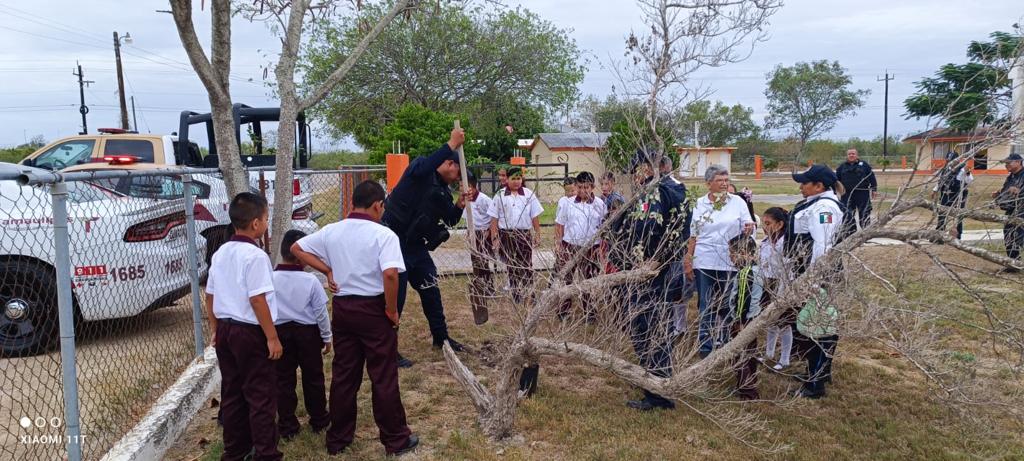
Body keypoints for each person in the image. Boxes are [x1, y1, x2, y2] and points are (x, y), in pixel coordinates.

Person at [291, 180, 419, 456]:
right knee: (383, 376)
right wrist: (392, 309)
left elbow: (297, 249)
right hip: (373, 309)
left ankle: (338, 438)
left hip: (343, 308)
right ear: (377, 205)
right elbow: (390, 274)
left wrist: (327, 270)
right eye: (382, 207)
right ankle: (395, 439)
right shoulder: (384, 235)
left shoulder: (332, 231)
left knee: (344, 376)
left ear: (353, 202)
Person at [205, 192, 282, 461]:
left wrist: (215, 328)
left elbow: (210, 295)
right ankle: (265, 453)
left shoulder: (221, 252)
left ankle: (235, 451)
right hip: (250, 332)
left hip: (226, 330)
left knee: (233, 392)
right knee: (260, 395)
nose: (266, 223)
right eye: (266, 218)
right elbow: (257, 299)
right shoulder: (256, 256)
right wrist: (272, 337)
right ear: (256, 224)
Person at [382, 128, 469, 367]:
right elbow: (428, 164)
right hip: (393, 241)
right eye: (458, 174)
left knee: (431, 289)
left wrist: (460, 204)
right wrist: (451, 143)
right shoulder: (421, 169)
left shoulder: (442, 191)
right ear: (449, 163)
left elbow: (450, 219)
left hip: (416, 248)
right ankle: (389, 349)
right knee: (395, 297)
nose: (456, 180)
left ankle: (441, 338)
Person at [618, 151, 688, 411]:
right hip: (641, 271)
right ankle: (654, 382)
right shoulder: (651, 190)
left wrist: (657, 262)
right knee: (642, 327)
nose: (634, 175)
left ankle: (659, 393)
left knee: (652, 328)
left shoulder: (667, 191)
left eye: (637, 168)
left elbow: (674, 233)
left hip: (655, 274)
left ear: (654, 167)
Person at [786, 164, 845, 398]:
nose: (801, 186)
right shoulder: (816, 203)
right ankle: (816, 371)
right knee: (813, 324)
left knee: (819, 328)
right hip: (809, 273)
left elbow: (823, 246)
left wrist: (812, 280)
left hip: (819, 275)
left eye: (805, 183)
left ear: (819, 185)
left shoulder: (825, 208)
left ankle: (815, 383)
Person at [685, 165, 756, 358]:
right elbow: (694, 234)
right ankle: (705, 347)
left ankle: (725, 341)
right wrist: (688, 259)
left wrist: (749, 229)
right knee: (706, 305)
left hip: (729, 262)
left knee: (727, 305)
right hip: (705, 260)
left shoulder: (738, 202)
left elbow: (748, 227)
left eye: (726, 180)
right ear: (709, 183)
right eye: (720, 180)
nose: (724, 184)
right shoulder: (699, 203)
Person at [272, 229, 331, 440]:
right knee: (313, 376)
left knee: (283, 380)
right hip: (307, 334)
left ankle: (287, 425)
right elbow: (321, 313)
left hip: (280, 334)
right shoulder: (311, 281)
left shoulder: (270, 279)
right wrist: (327, 337)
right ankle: (319, 419)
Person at [554, 171, 607, 320]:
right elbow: (560, 224)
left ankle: (589, 312)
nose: (583, 191)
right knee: (567, 278)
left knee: (588, 280)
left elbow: (604, 227)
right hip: (570, 245)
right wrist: (558, 244)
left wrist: (601, 249)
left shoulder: (599, 205)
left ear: (593, 187)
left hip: (591, 248)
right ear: (576, 187)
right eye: (580, 187)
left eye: (587, 187)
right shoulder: (568, 203)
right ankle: (563, 311)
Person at [488, 166, 543, 304]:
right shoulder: (500, 195)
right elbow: (494, 219)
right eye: (513, 178)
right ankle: (516, 293)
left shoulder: (529, 194)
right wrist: (495, 237)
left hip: (524, 235)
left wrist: (537, 234)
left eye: (519, 178)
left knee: (526, 264)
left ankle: (530, 293)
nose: (517, 182)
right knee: (511, 265)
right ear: (507, 179)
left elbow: (534, 216)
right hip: (506, 235)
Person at [727, 235, 761, 400]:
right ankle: (750, 383)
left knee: (739, 355)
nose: (730, 257)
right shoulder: (757, 270)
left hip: (744, 320)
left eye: (732, 253)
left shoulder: (745, 274)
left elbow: (743, 299)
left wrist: (738, 321)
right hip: (754, 319)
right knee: (750, 353)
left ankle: (747, 391)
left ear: (743, 253)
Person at [759, 207, 792, 371]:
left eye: (768, 223)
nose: (765, 227)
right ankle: (769, 353)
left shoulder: (785, 243)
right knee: (770, 320)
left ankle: (785, 358)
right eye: (763, 223)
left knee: (784, 323)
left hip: (782, 284)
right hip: (767, 282)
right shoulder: (765, 242)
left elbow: (787, 268)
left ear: (779, 224)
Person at [463, 172, 494, 325]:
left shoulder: (484, 200)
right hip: (473, 233)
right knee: (475, 261)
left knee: (483, 261)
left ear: (474, 186)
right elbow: (468, 217)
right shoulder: (466, 200)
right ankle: (479, 286)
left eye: (467, 186)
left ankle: (488, 287)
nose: (464, 188)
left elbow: (493, 216)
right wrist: (468, 232)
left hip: (484, 232)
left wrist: (488, 231)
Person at [835, 148, 877, 236]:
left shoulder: (864, 165)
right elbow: (836, 180)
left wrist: (874, 189)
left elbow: (871, 177)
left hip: (862, 193)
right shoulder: (841, 167)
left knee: (864, 213)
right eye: (849, 154)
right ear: (847, 155)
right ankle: (849, 233)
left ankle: (866, 233)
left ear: (857, 155)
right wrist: (835, 192)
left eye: (853, 153)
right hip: (846, 194)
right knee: (847, 214)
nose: (851, 155)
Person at [933, 151, 974, 239]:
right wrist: (935, 190)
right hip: (945, 195)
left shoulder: (963, 169)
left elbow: (970, 180)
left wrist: (967, 173)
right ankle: (939, 236)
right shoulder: (945, 170)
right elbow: (940, 181)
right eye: (948, 160)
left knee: (958, 216)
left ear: (958, 160)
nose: (950, 162)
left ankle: (958, 235)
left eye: (952, 160)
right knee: (942, 214)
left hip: (958, 197)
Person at [994, 153, 1024, 268]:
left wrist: (1019, 192)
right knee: (1008, 235)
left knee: (1020, 236)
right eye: (1005, 163)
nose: (1006, 165)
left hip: (1022, 210)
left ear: (1018, 162)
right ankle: (1013, 264)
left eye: (1008, 163)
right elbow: (1006, 192)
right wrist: (998, 195)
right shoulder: (1011, 177)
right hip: (1012, 210)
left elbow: (1019, 192)